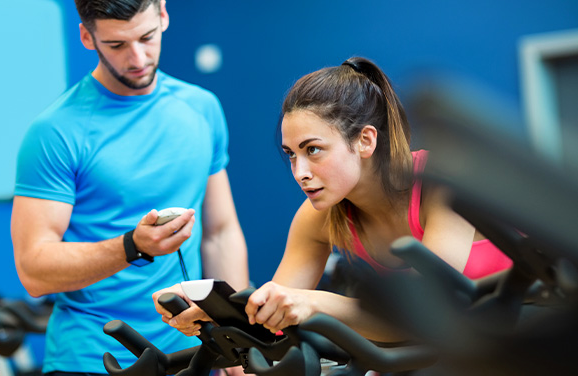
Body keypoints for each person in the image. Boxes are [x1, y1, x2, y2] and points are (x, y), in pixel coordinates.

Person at [161, 56, 512, 344]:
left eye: (313, 150)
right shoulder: (319, 217)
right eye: (291, 155)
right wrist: (217, 313)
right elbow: (274, 320)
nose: (299, 172)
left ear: (365, 141)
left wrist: (313, 303)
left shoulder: (440, 184)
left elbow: (424, 315)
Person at [10, 1, 249, 375]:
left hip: (192, 355)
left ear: (163, 16)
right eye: (117, 45)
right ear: (88, 37)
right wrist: (132, 247)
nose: (137, 57)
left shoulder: (201, 108)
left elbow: (220, 233)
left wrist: (237, 343)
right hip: (92, 358)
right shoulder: (55, 132)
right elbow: (33, 271)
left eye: (147, 37)